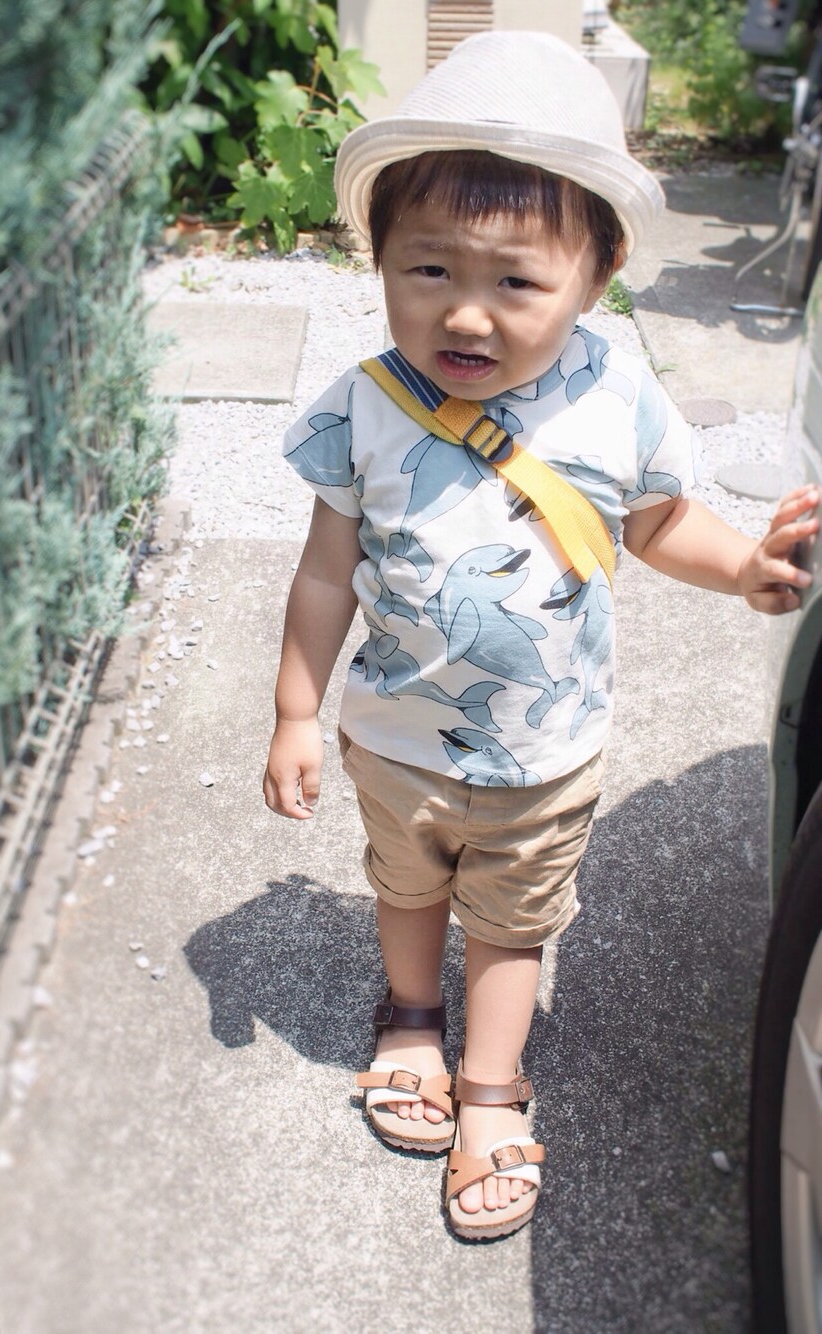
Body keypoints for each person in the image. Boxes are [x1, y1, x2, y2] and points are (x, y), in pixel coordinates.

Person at [261, 30, 820, 1241]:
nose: (465, 311)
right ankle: (411, 1018)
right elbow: (324, 570)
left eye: (516, 282)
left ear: (598, 272)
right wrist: (298, 708)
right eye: (426, 268)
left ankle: (490, 1082)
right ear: (378, 258)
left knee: (512, 921)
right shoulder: (363, 405)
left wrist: (744, 567)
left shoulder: (616, 396)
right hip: (394, 737)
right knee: (406, 885)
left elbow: (658, 520)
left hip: (546, 750)